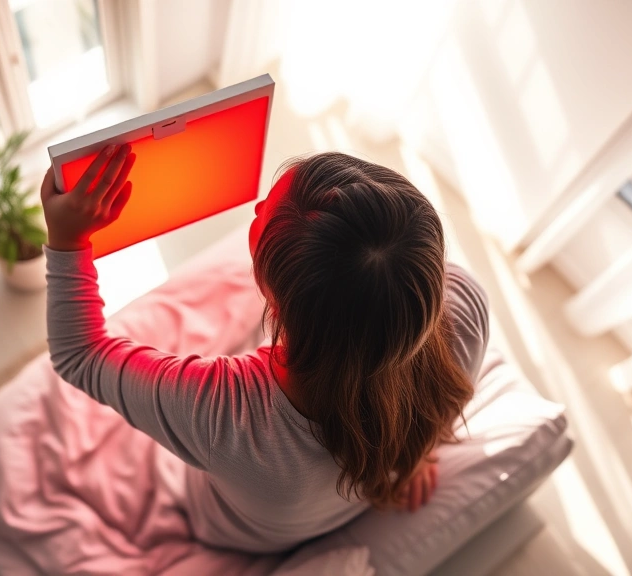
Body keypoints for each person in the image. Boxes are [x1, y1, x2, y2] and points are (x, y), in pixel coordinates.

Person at [40, 147, 488, 553]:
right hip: (330, 505)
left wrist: (67, 239)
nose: (257, 207)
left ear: (271, 295)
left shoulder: (222, 417)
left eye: (264, 216)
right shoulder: (467, 308)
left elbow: (77, 353)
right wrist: (420, 453)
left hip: (236, 532)